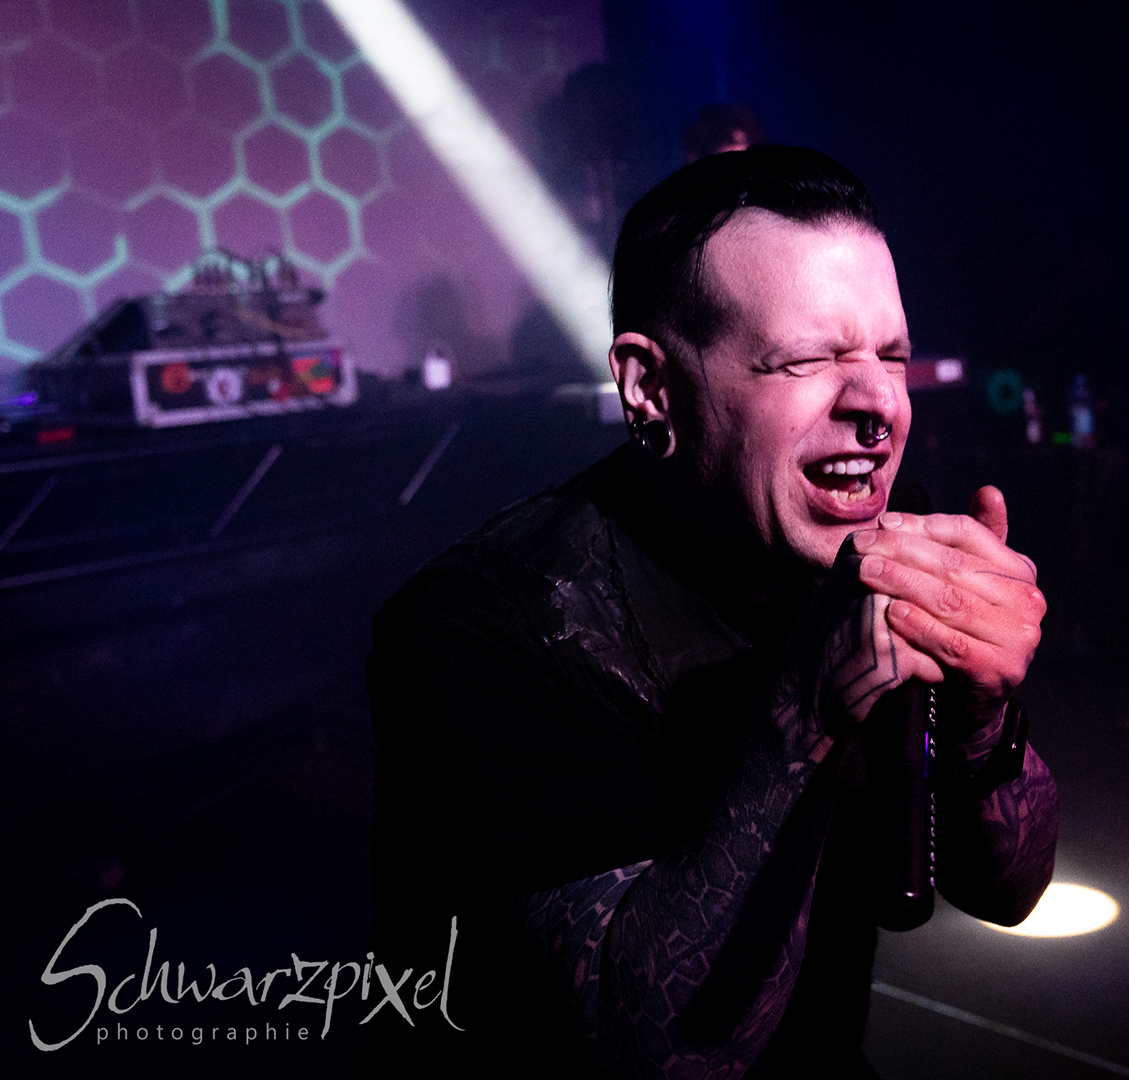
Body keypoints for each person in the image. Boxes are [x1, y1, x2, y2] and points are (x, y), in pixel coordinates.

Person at [364, 146, 1058, 1077]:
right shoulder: (492, 628)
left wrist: (980, 717)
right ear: (651, 388)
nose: (878, 406)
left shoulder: (872, 542)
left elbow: (1010, 891)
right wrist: (807, 708)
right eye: (805, 360)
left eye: (891, 355)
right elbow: (656, 1056)